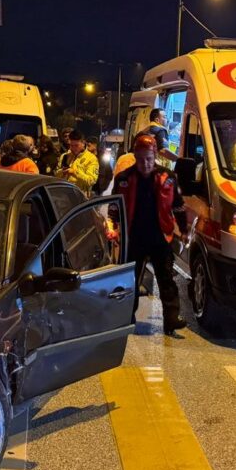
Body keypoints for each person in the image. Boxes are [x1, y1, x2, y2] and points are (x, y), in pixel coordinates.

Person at [113, 134, 186, 335]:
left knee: (166, 280)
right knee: (129, 281)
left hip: (160, 237)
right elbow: (114, 207)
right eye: (141, 159)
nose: (145, 164)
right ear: (135, 157)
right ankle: (126, 318)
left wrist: (184, 230)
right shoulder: (124, 178)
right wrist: (113, 228)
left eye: (149, 159)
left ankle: (171, 319)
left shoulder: (168, 177)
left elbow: (178, 206)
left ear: (155, 156)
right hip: (133, 238)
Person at [57, 130, 97, 196]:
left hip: (80, 197)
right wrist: (62, 172)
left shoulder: (91, 159)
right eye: (71, 145)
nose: (73, 148)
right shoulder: (64, 156)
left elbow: (91, 181)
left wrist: (74, 172)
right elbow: (56, 175)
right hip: (63, 195)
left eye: (76, 145)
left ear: (83, 143)